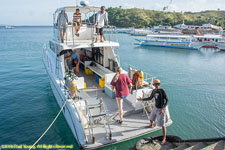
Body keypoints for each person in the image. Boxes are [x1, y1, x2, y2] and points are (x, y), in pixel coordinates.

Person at [137, 79, 169, 144]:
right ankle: (151, 125)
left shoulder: (162, 91)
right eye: (155, 84)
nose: (156, 85)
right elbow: (150, 98)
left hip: (161, 109)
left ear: (159, 84)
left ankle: (164, 138)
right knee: (151, 118)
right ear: (153, 85)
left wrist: (163, 108)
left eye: (158, 84)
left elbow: (167, 100)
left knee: (162, 124)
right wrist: (142, 99)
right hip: (155, 107)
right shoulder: (154, 91)